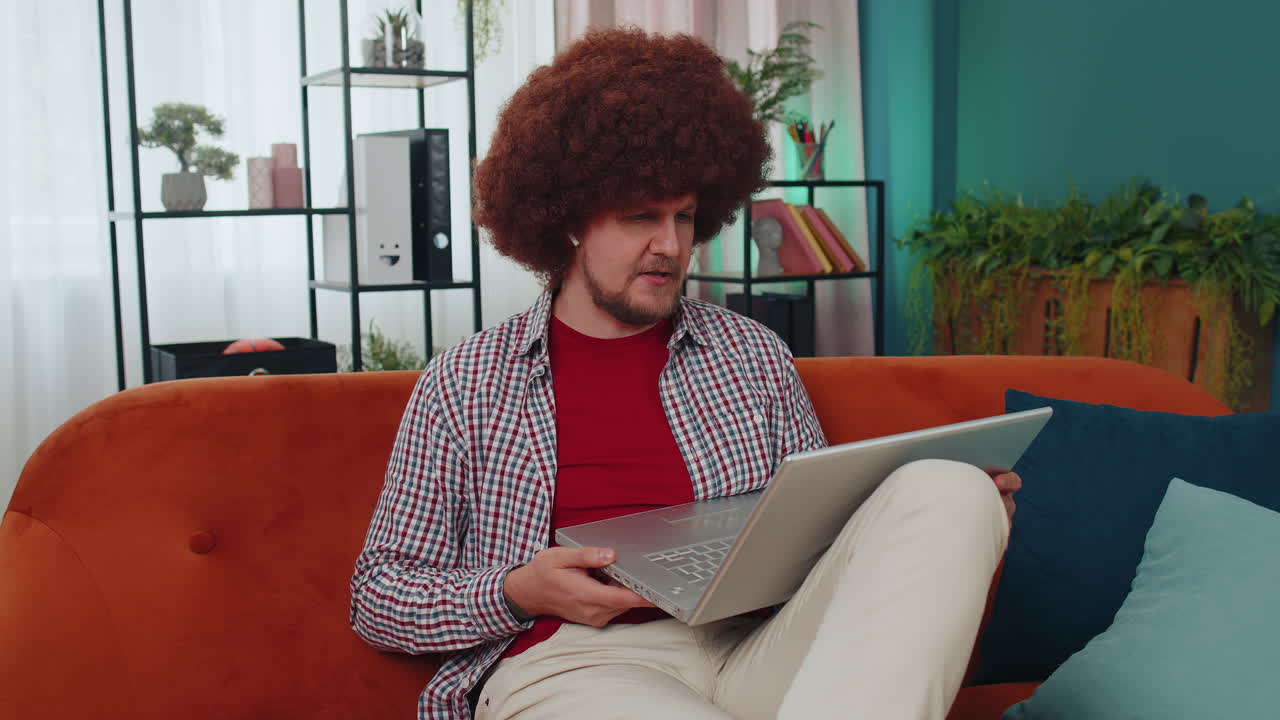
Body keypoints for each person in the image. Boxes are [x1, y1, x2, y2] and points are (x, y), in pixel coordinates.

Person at [350, 27, 1021, 720]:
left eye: (685, 218)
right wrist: (520, 590)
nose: (669, 246)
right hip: (575, 662)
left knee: (949, 489)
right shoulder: (467, 382)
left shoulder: (752, 356)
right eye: (641, 216)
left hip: (757, 649)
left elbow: (824, 540)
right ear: (569, 218)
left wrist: (942, 525)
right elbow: (379, 598)